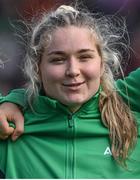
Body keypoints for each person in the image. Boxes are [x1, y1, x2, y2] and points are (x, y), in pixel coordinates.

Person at [0, 4, 140, 178]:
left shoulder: (130, 103)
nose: (73, 70)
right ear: (37, 68)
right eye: (58, 60)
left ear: (102, 63)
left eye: (85, 57)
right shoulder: (8, 127)